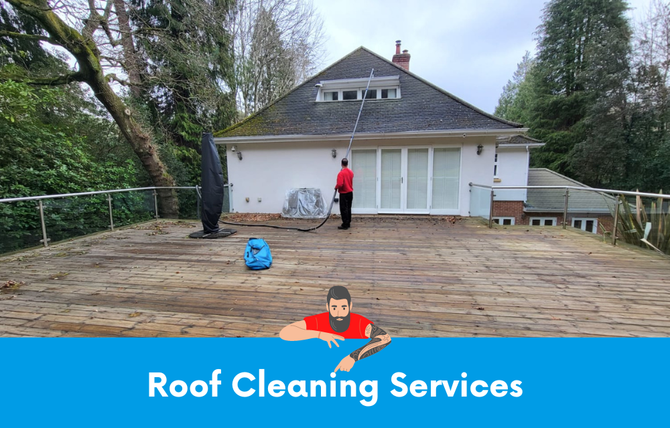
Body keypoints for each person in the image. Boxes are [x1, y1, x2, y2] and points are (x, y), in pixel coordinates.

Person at [279, 286, 391, 372]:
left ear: (350, 306)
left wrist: (352, 357)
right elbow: (285, 332)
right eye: (334, 308)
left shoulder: (359, 323)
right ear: (328, 307)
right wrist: (319, 335)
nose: (339, 313)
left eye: (343, 307)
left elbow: (384, 338)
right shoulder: (319, 321)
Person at [335, 158, 354, 230]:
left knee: (343, 209)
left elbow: (340, 184)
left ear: (341, 164)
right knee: (348, 208)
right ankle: (348, 222)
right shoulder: (351, 172)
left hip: (344, 193)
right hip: (350, 193)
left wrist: (336, 187)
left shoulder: (341, 173)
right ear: (347, 164)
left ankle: (345, 224)